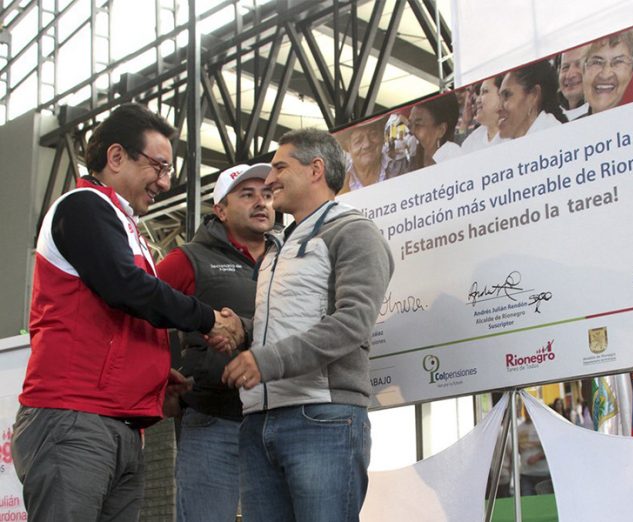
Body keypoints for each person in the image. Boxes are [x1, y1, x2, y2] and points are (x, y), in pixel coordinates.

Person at [11, 102, 243, 521]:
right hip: (75, 418)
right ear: (116, 156)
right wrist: (208, 318)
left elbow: (114, 315)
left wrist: (152, 375)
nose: (165, 182)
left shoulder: (123, 223)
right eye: (159, 166)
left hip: (117, 424)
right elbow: (126, 288)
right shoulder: (84, 206)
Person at [221, 128, 394, 522]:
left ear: (316, 169)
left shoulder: (354, 231)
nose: (270, 180)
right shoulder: (277, 246)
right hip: (259, 420)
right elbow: (290, 322)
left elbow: (352, 323)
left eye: (280, 167)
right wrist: (243, 330)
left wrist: (265, 361)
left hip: (323, 418)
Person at [157, 163, 274, 522]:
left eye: (267, 194)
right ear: (220, 210)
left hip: (280, 420)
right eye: (247, 195)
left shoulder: (290, 257)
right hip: (213, 417)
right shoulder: (188, 259)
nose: (261, 203)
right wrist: (161, 378)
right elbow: (140, 311)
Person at [581, 27, 633, 116]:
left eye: (618, 62)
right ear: (583, 71)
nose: (605, 74)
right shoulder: (572, 125)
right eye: (596, 62)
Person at [497, 60, 568, 140]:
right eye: (499, 97)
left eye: (507, 95)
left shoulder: (555, 137)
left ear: (533, 95)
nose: (498, 108)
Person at [335, 117, 407, 193]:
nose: (367, 144)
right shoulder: (341, 183)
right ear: (348, 148)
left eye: (373, 135)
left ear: (382, 137)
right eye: (358, 141)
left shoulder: (401, 167)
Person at [408, 91, 460, 169]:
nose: (412, 131)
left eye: (418, 125)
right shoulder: (417, 159)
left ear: (441, 130)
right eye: (410, 125)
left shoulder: (454, 156)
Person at [459, 75, 508, 155]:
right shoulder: (471, 142)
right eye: (478, 95)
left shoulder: (520, 132)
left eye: (485, 92)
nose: (477, 100)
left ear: (502, 96)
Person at [517, 411, 552, 496]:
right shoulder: (519, 428)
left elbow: (551, 448)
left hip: (542, 473)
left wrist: (537, 457)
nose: (527, 412)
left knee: (544, 501)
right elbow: (518, 448)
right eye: (525, 409)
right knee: (527, 500)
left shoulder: (543, 426)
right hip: (525, 473)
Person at [557, 45, 590, 120]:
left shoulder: (604, 111)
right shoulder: (549, 119)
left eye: (579, 65)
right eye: (565, 67)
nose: (569, 75)